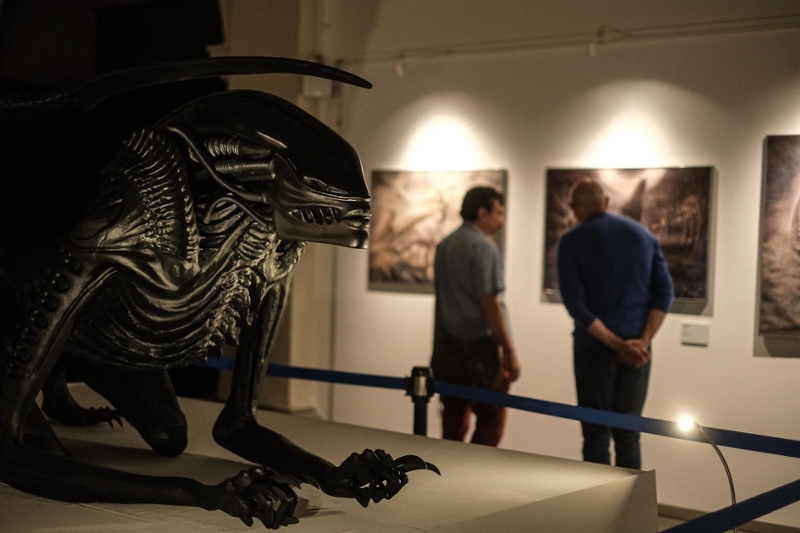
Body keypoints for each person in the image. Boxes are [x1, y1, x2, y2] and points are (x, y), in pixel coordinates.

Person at [557, 178, 674, 469]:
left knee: (596, 434)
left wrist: (616, 344)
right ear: (606, 202)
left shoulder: (572, 240)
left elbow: (576, 305)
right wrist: (641, 342)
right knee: (629, 435)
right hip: (638, 350)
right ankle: (632, 497)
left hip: (593, 348)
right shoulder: (643, 235)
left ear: (574, 207)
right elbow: (664, 293)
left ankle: (599, 497)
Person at [430, 186, 521, 447]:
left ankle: (450, 469)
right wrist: (509, 350)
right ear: (483, 213)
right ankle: (477, 471)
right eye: (499, 213)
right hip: (481, 351)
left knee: (453, 424)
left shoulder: (445, 245)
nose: (502, 220)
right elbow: (489, 304)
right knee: (491, 422)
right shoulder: (483, 247)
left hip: (449, 348)